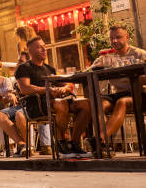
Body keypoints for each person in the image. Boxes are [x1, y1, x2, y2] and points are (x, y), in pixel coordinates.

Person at [15, 36, 92, 158]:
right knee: (60, 104)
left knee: (86, 104)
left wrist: (64, 88)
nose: (44, 49)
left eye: (44, 47)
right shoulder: (24, 67)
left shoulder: (49, 68)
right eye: (39, 47)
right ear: (30, 51)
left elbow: (67, 84)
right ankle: (61, 144)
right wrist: (48, 90)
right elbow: (25, 89)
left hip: (55, 101)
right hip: (36, 105)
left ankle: (74, 143)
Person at [87, 23, 146, 156]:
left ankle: (99, 140)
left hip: (137, 93)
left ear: (127, 37)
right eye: (112, 38)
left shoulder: (139, 54)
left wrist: (137, 77)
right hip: (116, 94)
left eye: (118, 37)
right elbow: (88, 71)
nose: (114, 41)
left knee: (122, 102)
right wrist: (97, 66)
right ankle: (102, 145)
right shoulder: (107, 56)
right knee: (99, 104)